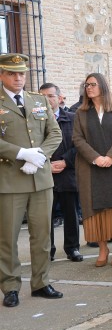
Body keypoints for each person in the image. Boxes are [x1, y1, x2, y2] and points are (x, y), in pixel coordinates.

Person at [0, 53, 63, 307]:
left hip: (40, 179)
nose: (18, 78)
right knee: (8, 236)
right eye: (13, 73)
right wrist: (20, 153)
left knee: (42, 235)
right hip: (9, 180)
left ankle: (41, 282)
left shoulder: (38, 100)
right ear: (2, 75)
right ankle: (10, 286)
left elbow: (54, 133)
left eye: (22, 74)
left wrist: (38, 156)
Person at [73, 73, 112, 267]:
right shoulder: (80, 112)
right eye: (86, 85)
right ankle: (103, 248)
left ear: (103, 86)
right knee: (95, 209)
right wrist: (96, 158)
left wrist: (110, 157)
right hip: (90, 168)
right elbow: (77, 139)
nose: (88, 88)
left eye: (92, 84)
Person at [39, 83, 82, 262]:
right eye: (42, 97)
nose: (47, 100)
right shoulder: (35, 120)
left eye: (50, 96)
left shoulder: (73, 118)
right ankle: (47, 250)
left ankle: (72, 248)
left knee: (71, 214)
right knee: (45, 216)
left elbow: (79, 144)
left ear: (59, 97)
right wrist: (47, 164)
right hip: (44, 174)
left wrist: (65, 161)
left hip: (68, 174)